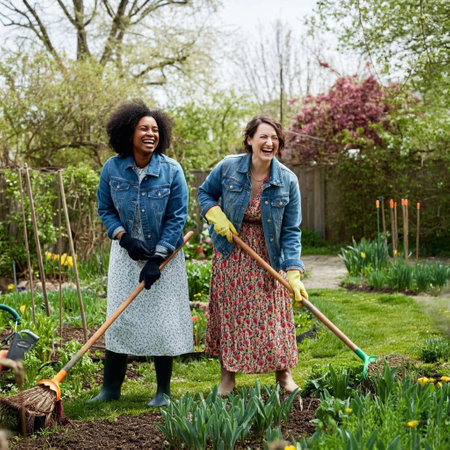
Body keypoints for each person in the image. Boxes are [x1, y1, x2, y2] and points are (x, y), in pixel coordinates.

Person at [197, 114, 308, 395]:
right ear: (250, 140)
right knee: (232, 315)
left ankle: (283, 374)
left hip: (269, 254)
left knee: (273, 317)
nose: (269, 142)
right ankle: (227, 377)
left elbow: (291, 229)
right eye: (263, 137)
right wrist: (214, 214)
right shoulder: (228, 167)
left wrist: (293, 271)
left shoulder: (287, 180)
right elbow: (204, 194)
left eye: (274, 138)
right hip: (232, 251)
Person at [92, 99, 193, 407]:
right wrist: (124, 238)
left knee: (162, 320)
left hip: (164, 257)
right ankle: (111, 388)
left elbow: (178, 217)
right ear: (128, 133)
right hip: (125, 255)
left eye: (155, 129)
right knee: (119, 317)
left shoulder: (171, 170)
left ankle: (163, 391)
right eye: (143, 129)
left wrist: (157, 258)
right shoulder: (112, 168)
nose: (151, 134)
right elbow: (105, 208)